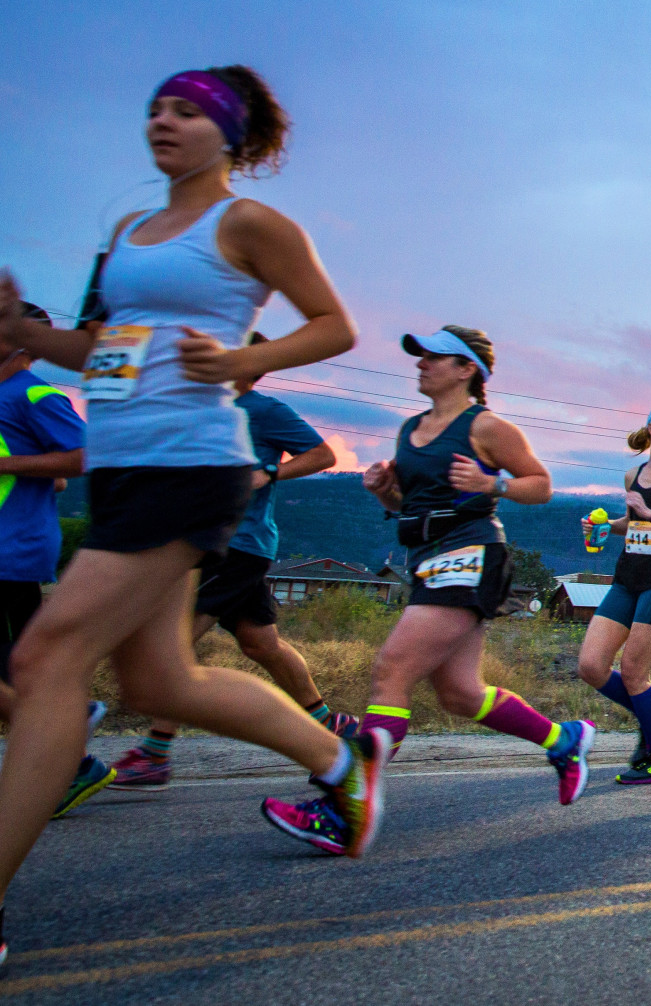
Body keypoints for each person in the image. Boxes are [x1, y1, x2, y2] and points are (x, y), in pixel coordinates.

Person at [0, 66, 385, 964]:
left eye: (185, 110)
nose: (162, 121)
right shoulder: (128, 232)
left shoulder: (246, 223)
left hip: (191, 464)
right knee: (160, 684)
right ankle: (343, 763)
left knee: (45, 659)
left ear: (229, 132)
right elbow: (97, 347)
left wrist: (239, 362)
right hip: (121, 469)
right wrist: (21, 329)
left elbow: (333, 326)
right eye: (155, 109)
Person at [269, 326, 588, 852]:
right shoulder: (410, 430)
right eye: (419, 356)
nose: (421, 363)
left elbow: (541, 485)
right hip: (424, 558)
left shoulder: (486, 426)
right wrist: (384, 493)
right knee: (460, 693)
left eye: (434, 357)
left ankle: (345, 808)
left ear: (467, 370)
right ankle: (563, 739)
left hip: (472, 554)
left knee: (392, 670)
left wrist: (493, 483)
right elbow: (407, 506)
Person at [110, 333, 350, 790]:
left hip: (237, 545)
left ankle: (155, 754)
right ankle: (330, 725)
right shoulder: (201, 407)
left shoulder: (264, 410)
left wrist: (271, 471)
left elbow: (323, 455)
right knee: (261, 643)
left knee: (173, 647)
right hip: (205, 542)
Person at [0, 302, 109, 820]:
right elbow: (57, 475)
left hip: (12, 550)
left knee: (19, 668)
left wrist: (8, 463)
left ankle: (69, 751)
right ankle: (68, 738)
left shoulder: (35, 393)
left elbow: (84, 455)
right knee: (21, 669)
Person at [573, 404, 651, 785]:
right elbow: (633, 523)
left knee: (633, 672)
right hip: (627, 577)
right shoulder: (633, 474)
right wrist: (601, 526)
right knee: (591, 666)